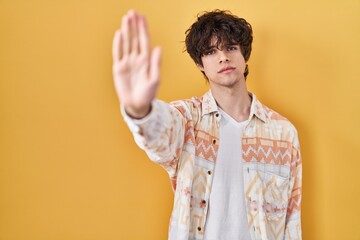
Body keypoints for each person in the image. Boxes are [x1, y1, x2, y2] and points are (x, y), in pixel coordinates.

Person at [112, 9, 302, 240]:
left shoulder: (283, 132)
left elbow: (292, 221)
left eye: (231, 47)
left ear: (245, 54)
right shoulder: (188, 119)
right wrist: (140, 110)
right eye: (211, 51)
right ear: (200, 63)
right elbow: (160, 132)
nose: (223, 57)